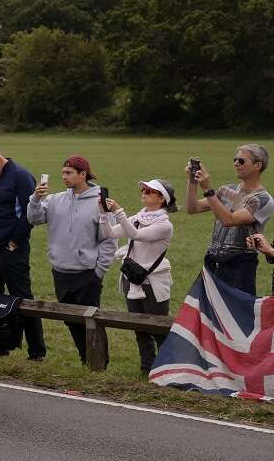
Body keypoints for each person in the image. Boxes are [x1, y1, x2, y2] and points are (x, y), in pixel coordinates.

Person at [28, 155, 117, 364]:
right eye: (62, 173)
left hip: (87, 273)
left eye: (68, 173)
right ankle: (85, 358)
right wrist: (35, 199)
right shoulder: (56, 199)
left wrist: (99, 271)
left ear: (83, 174)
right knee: (70, 320)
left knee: (91, 321)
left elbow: (109, 239)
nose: (64, 177)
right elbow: (33, 219)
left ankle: (99, 362)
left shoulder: (100, 203)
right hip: (60, 271)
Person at [0, 146, 46, 360]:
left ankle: (36, 350)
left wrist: (14, 243)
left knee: (23, 297)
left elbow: (29, 214)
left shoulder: (21, 177)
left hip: (11, 251)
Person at [100, 179, 177, 374]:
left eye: (150, 191)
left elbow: (136, 235)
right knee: (139, 329)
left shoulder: (164, 225)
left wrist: (118, 212)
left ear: (161, 199)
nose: (144, 192)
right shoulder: (138, 217)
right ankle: (147, 368)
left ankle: (168, 370)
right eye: (143, 189)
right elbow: (108, 233)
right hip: (132, 278)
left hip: (153, 282)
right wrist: (102, 213)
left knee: (158, 329)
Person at [186, 144, 274, 296]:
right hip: (213, 263)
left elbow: (229, 220)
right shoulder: (225, 190)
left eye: (241, 161)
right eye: (235, 159)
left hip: (239, 268)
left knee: (236, 317)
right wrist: (193, 182)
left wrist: (207, 189)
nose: (235, 163)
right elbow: (193, 208)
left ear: (257, 165)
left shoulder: (263, 199)